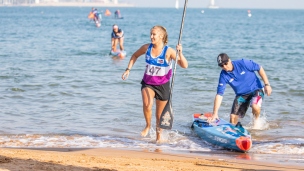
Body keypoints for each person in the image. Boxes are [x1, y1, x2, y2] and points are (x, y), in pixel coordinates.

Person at [121, 25, 188, 143]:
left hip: (163, 85)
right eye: (151, 34)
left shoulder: (169, 51)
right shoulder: (146, 47)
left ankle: (158, 139)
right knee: (147, 104)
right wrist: (128, 69)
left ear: (161, 36)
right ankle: (147, 125)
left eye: (154, 34)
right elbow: (134, 55)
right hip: (148, 83)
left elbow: (184, 65)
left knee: (159, 117)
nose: (151, 36)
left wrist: (180, 53)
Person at [208, 53, 272, 128]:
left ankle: (256, 122)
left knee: (255, 106)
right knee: (232, 117)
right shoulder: (223, 75)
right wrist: (215, 113)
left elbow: (259, 68)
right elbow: (219, 94)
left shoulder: (243, 63)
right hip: (242, 95)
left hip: (256, 89)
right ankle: (234, 133)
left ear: (229, 60)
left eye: (225, 63)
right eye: (221, 65)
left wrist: (267, 84)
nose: (224, 67)